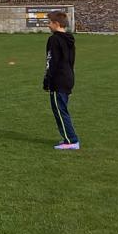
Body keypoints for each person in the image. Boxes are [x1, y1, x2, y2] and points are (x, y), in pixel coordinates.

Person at [43, 10, 79, 150]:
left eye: (49, 22)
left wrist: (47, 80)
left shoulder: (54, 40)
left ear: (56, 24)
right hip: (68, 77)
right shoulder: (69, 39)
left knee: (60, 111)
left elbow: (51, 61)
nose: (48, 25)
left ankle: (71, 140)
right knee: (61, 109)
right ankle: (68, 138)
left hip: (58, 79)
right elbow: (71, 61)